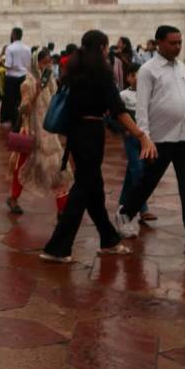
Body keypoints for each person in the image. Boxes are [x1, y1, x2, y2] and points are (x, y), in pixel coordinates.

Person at [41, 30, 156, 263]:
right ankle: (57, 247)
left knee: (94, 188)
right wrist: (140, 135)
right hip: (91, 135)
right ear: (102, 48)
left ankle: (109, 240)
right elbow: (118, 109)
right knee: (83, 189)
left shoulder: (73, 71)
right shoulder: (101, 74)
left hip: (75, 133)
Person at [116, 25, 185, 259]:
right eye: (173, 43)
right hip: (159, 139)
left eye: (180, 42)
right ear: (160, 43)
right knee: (148, 181)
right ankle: (126, 212)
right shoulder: (148, 71)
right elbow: (141, 107)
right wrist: (144, 138)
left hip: (184, 137)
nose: (178, 47)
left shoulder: (181, 67)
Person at [7, 49, 71, 215]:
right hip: (31, 131)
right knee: (23, 167)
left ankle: (62, 208)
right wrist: (37, 91)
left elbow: (55, 101)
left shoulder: (50, 80)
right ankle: (13, 198)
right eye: (44, 62)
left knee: (58, 169)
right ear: (37, 63)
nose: (47, 65)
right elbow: (23, 109)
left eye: (49, 61)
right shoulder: (28, 83)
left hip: (49, 132)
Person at [117, 66, 154, 222]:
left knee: (133, 172)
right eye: (134, 75)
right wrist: (124, 130)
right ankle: (143, 209)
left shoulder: (148, 95)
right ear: (128, 78)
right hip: (131, 138)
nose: (137, 78)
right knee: (138, 171)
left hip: (146, 138)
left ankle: (122, 202)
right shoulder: (123, 95)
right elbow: (115, 115)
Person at [0, 27, 31, 126]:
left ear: (13, 35)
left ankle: (13, 121)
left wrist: (0, 62)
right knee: (22, 99)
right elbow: (28, 64)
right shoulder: (27, 48)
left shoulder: (10, 48)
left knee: (11, 101)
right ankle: (22, 121)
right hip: (24, 76)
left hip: (12, 77)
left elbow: (8, 65)